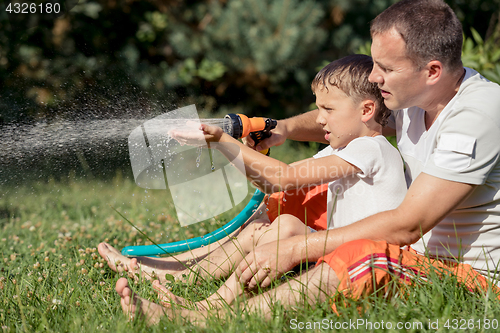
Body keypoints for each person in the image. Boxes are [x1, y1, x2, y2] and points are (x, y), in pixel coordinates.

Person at [238, 0, 500, 307]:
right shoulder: (418, 98)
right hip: (417, 259)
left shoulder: (477, 115)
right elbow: (354, 114)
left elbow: (407, 225)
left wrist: (297, 249)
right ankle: (186, 283)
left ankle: (212, 321)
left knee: (363, 254)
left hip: (469, 280)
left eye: (386, 68)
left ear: (432, 71)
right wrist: (285, 128)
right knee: (297, 214)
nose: (374, 77)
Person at [112, 53, 409, 324]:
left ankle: (204, 310)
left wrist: (221, 141)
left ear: (366, 109)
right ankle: (193, 288)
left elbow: (285, 177)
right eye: (318, 108)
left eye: (328, 109)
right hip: (334, 252)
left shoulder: (371, 149)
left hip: (366, 264)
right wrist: (251, 154)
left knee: (287, 225)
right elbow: (270, 183)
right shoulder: (343, 151)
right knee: (286, 224)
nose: (319, 119)